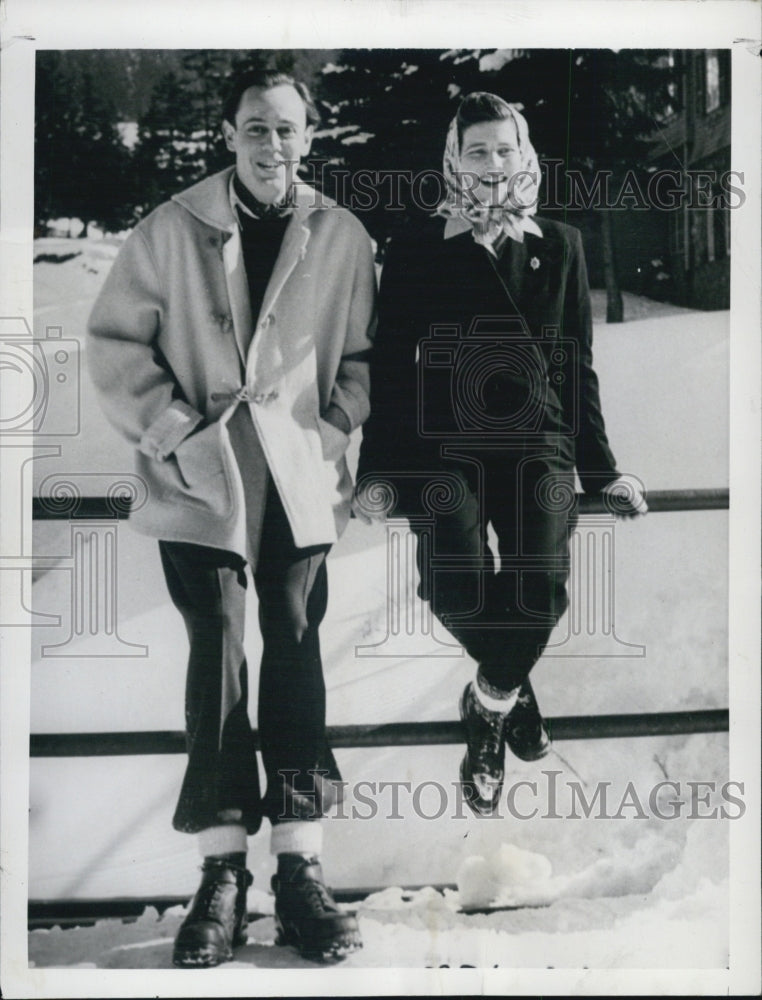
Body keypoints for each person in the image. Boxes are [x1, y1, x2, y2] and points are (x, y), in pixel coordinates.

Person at [87, 70, 376, 966]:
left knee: (290, 644)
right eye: (256, 129)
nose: (272, 147)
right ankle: (220, 871)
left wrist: (330, 429)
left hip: (294, 475)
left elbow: (361, 359)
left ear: (309, 137)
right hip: (198, 479)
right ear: (229, 134)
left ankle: (299, 867)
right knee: (216, 646)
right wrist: (173, 431)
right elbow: (112, 343)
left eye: (288, 130)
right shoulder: (168, 229)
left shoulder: (341, 233)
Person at [355, 92, 646, 817]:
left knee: (539, 587)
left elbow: (576, 363)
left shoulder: (563, 242)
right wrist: (376, 472)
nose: (492, 164)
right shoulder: (420, 243)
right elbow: (391, 363)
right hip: (443, 442)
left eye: (504, 149)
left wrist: (603, 472)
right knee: (452, 584)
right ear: (455, 159)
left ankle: (488, 702)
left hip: (537, 442)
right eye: (477, 151)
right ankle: (512, 687)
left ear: (525, 154)